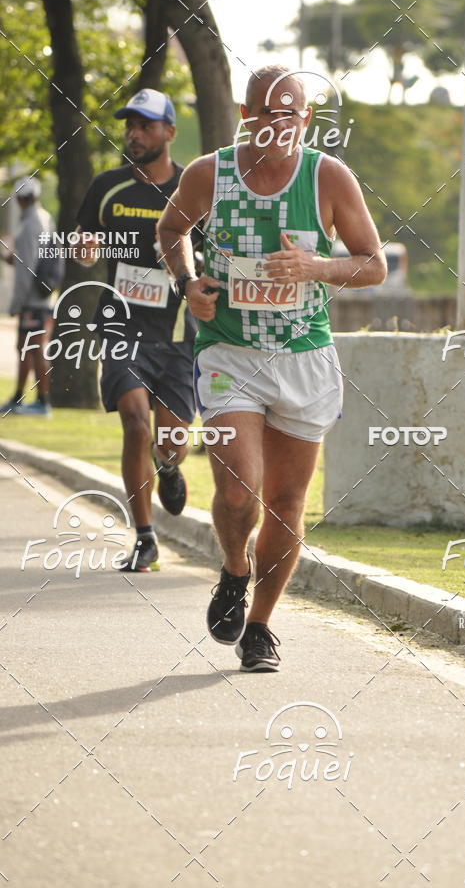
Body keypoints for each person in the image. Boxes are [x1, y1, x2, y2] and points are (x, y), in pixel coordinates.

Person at [158, 66, 387, 671]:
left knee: (286, 502)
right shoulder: (209, 174)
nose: (279, 124)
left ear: (305, 119)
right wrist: (187, 283)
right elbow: (171, 228)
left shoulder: (328, 177)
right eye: (267, 112)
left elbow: (373, 263)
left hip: (304, 357)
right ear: (245, 115)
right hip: (228, 353)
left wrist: (318, 268)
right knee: (239, 492)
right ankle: (235, 569)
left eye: (291, 114)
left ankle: (259, 625)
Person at [74, 88, 199, 572]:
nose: (134, 134)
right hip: (121, 327)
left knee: (171, 441)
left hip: (177, 332)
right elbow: (83, 236)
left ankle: (167, 466)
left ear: (169, 132)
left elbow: (216, 250)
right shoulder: (107, 187)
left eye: (145, 126)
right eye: (130, 125)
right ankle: (145, 538)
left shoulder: (193, 187)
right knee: (133, 420)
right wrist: (83, 247)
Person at [1, 176, 56, 416]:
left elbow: (27, 269)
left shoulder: (29, 224)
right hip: (42, 297)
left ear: (20, 199)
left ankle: (41, 402)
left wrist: (16, 303)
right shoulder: (45, 217)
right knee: (29, 347)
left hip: (33, 300)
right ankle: (21, 397)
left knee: (32, 348)